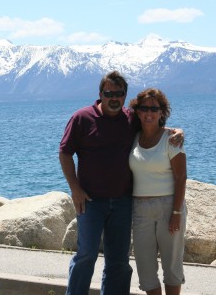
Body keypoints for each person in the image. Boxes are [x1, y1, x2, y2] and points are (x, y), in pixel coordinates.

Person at [59, 71, 184, 295]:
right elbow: (65, 153)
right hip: (90, 201)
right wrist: (75, 189)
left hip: (123, 202)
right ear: (100, 94)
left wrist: (177, 131)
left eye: (119, 94)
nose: (114, 98)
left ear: (125, 96)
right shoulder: (82, 118)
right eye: (109, 94)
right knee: (86, 254)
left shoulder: (130, 119)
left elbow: (153, 125)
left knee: (118, 261)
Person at [128, 88, 187, 295]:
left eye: (154, 108)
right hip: (140, 209)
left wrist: (176, 213)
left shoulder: (171, 139)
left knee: (171, 266)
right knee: (145, 268)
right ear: (137, 111)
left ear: (162, 112)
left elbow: (181, 178)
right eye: (144, 108)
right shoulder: (132, 138)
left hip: (168, 206)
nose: (149, 112)